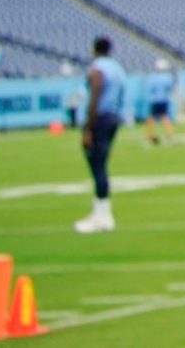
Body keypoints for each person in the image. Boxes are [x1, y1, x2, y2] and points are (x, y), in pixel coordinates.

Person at [75, 37, 128, 234]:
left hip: (100, 117)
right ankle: (101, 212)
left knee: (97, 164)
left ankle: (102, 215)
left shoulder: (98, 68)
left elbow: (96, 88)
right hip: (113, 116)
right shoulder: (117, 68)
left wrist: (88, 127)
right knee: (101, 163)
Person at [143, 58, 176, 144]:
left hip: (154, 100)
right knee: (165, 117)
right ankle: (170, 135)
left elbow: (150, 89)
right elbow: (170, 88)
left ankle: (150, 137)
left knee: (151, 118)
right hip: (164, 99)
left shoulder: (153, 78)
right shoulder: (168, 77)